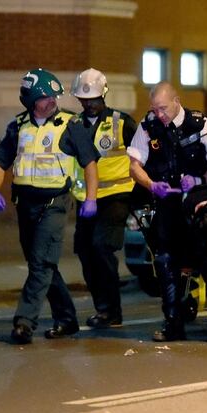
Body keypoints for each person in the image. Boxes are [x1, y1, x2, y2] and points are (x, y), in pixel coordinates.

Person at [0, 68, 99, 344]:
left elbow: (90, 163)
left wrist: (92, 198)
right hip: (25, 205)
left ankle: (24, 322)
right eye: (44, 98)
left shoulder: (70, 125)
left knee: (40, 263)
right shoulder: (18, 126)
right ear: (30, 100)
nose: (51, 102)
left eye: (53, 96)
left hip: (55, 204)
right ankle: (67, 318)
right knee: (43, 264)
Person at [127, 81, 207, 342]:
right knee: (165, 261)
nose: (159, 114)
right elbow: (134, 166)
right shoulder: (148, 127)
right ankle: (173, 322)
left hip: (198, 201)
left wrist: (198, 181)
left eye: (163, 108)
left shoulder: (202, 126)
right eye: (155, 109)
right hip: (167, 201)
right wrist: (152, 185)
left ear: (176, 101)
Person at [69, 68, 138, 329]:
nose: (89, 104)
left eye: (94, 99)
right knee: (86, 253)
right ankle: (103, 308)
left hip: (116, 197)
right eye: (84, 100)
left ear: (104, 95)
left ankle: (112, 311)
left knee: (101, 248)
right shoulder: (73, 125)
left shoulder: (122, 123)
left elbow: (141, 156)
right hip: (87, 200)